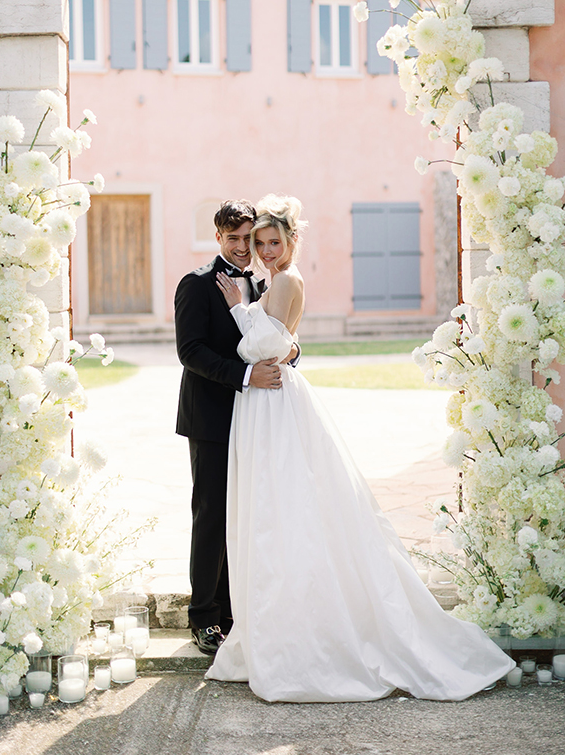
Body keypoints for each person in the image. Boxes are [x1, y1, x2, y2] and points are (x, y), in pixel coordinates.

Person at [205, 193, 515, 702]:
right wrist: (261, 321)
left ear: (291, 241)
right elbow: (285, 341)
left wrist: (241, 311)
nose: (264, 250)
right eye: (258, 243)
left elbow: (270, 347)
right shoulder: (274, 281)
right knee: (277, 509)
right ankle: (278, 628)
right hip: (267, 400)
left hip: (275, 400)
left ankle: (310, 641)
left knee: (285, 508)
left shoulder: (285, 279)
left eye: (272, 242)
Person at [174, 199, 297, 655]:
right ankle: (204, 617)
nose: (245, 247)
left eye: (250, 238)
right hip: (211, 418)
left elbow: (277, 335)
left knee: (244, 514)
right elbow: (191, 352)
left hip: (256, 420)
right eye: (235, 239)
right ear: (218, 238)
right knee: (211, 517)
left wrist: (291, 355)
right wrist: (246, 376)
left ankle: (234, 612)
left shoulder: (265, 280)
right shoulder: (196, 284)